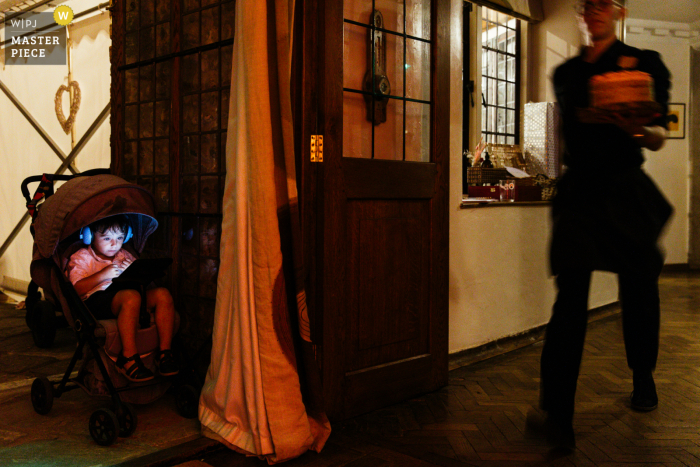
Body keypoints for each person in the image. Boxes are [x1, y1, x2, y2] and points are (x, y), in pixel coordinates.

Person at [534, 0, 673, 450]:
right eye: (586, 4)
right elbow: (563, 137)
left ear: (619, 11)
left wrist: (633, 127)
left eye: (602, 3)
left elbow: (658, 136)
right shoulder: (567, 74)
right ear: (580, 14)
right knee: (569, 301)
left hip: (625, 189)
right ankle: (559, 416)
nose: (593, 10)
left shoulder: (645, 64)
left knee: (639, 287)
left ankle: (643, 377)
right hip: (580, 196)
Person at [66, 214, 179, 382]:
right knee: (131, 297)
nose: (114, 244)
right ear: (90, 236)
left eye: (119, 237)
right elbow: (76, 288)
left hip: (128, 296)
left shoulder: (124, 254)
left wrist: (133, 271)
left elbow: (140, 281)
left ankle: (164, 353)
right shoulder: (82, 257)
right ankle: (128, 357)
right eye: (107, 238)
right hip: (96, 301)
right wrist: (102, 275)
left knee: (163, 294)